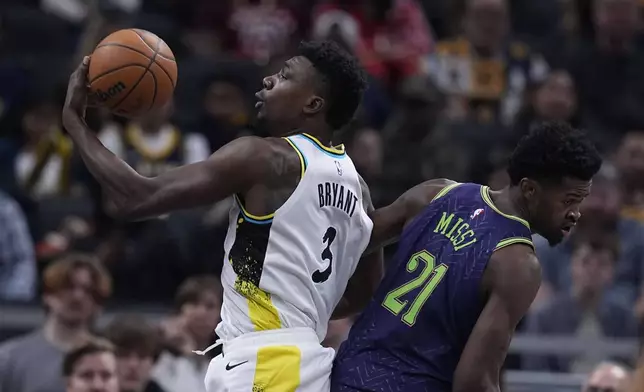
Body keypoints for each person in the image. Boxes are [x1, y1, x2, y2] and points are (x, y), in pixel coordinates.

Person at [61, 40, 383, 392]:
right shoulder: (358, 187)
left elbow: (135, 198)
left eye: (285, 76)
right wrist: (303, 314)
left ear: (313, 103)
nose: (268, 80)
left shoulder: (266, 158)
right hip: (300, 359)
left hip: (264, 362)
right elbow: (365, 291)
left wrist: (75, 122)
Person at [332, 121, 603, 392]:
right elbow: (474, 383)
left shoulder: (437, 192)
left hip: (345, 376)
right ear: (530, 190)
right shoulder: (518, 263)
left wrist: (364, 295)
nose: (576, 213)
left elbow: (359, 240)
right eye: (569, 200)